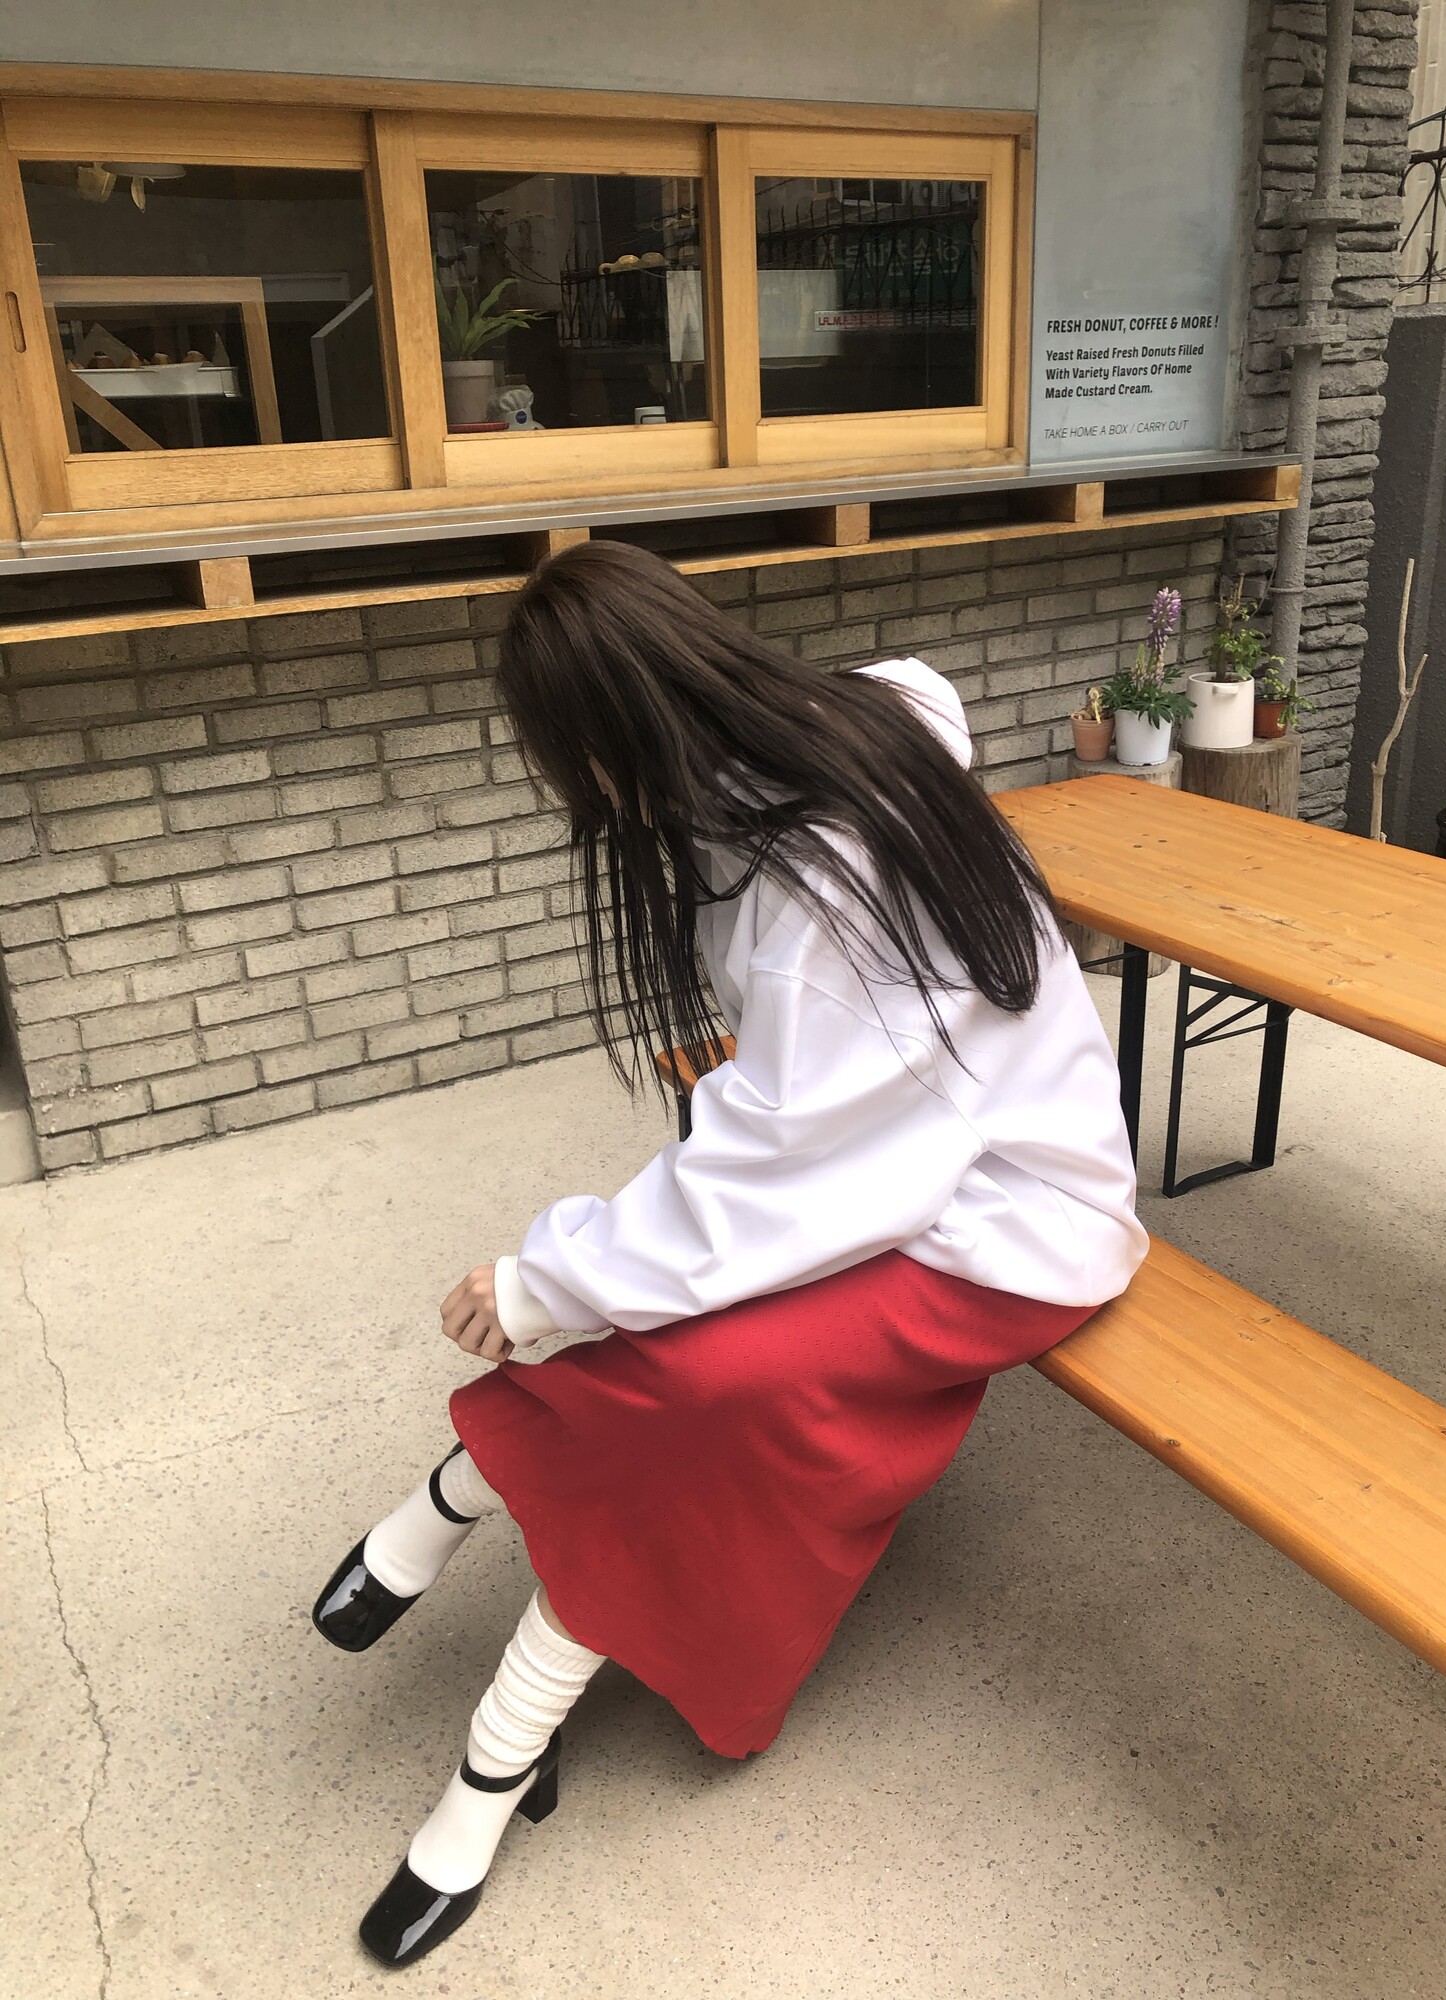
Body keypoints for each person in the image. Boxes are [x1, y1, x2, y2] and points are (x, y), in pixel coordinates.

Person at [313, 539, 1149, 1968]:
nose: (581, 799)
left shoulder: (825, 881)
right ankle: (470, 1577)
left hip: (1009, 1223)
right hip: (917, 1174)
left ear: (616, 739)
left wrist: (544, 1281)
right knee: (663, 1352)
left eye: (572, 766)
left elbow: (781, 1170)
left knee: (691, 1387)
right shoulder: (828, 734)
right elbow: (799, 1148)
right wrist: (578, 1279)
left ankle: (493, 1730)